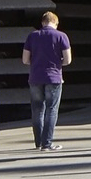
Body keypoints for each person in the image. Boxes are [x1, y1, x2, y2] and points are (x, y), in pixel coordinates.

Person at [21, 10, 71, 152]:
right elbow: (68, 60)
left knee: (37, 110)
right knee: (51, 109)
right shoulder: (62, 36)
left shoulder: (32, 36)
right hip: (54, 78)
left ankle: (38, 143)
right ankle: (47, 144)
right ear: (56, 22)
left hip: (35, 77)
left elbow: (25, 60)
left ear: (42, 22)